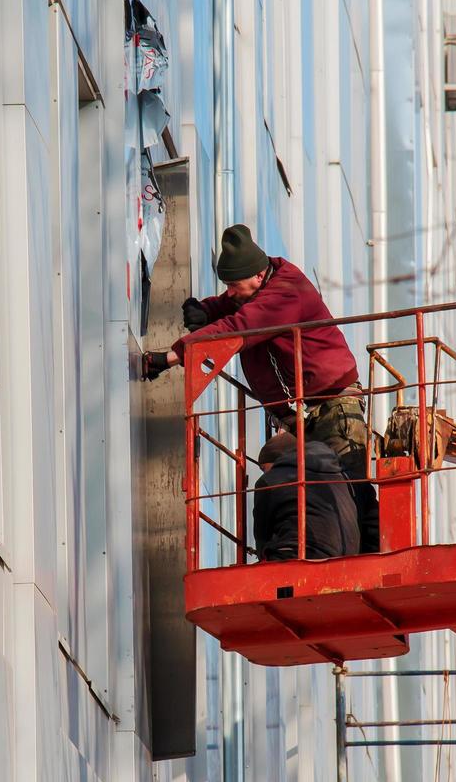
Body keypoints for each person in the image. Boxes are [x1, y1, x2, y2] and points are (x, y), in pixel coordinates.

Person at [144, 223, 379, 550]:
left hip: (336, 408)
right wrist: (207, 310)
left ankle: (362, 555)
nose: (230, 291)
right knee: (326, 487)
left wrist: (172, 356)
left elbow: (241, 324)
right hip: (315, 409)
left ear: (257, 277)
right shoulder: (264, 283)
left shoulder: (286, 293)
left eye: (233, 284)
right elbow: (233, 305)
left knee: (344, 488)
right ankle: (332, 550)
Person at [253, 433, 360, 561]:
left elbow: (262, 536)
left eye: (264, 468)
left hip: (296, 557)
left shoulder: (269, 481)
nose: (264, 473)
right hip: (345, 559)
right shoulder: (341, 477)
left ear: (279, 459)